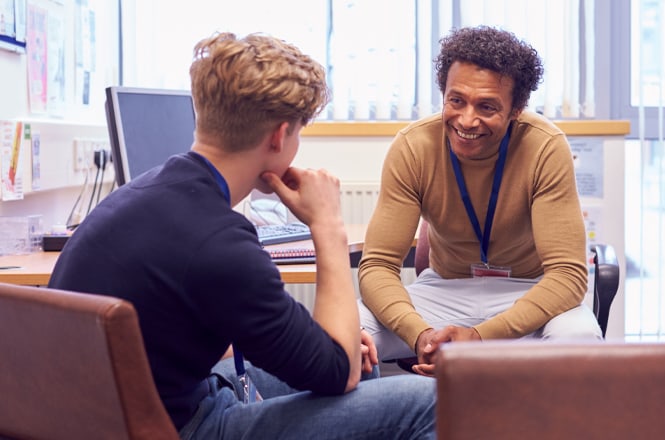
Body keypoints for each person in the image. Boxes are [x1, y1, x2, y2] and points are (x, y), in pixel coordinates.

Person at [49, 32, 435, 439]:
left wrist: (326, 347)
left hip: (112, 414)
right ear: (278, 135)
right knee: (431, 401)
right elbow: (338, 373)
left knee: (364, 363)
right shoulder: (221, 244)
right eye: (299, 133)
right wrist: (328, 225)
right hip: (182, 427)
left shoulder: (141, 193)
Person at [358, 25, 603, 376]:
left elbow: (567, 275)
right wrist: (422, 336)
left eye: (487, 106)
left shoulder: (545, 147)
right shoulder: (413, 147)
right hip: (444, 292)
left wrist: (480, 337)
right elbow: (377, 266)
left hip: (528, 291)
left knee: (579, 340)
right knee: (346, 331)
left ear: (516, 108)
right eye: (456, 100)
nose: (467, 120)